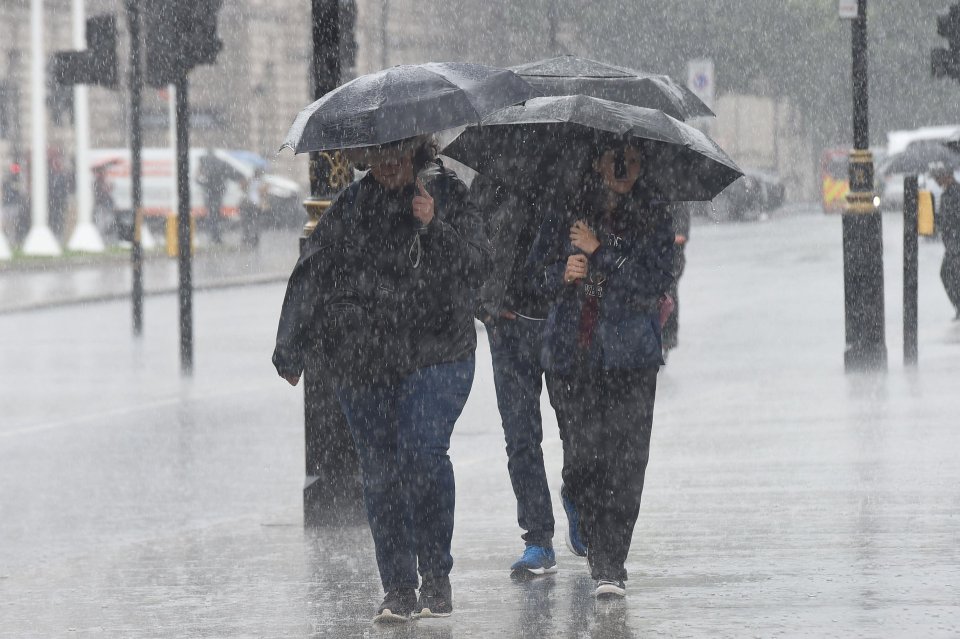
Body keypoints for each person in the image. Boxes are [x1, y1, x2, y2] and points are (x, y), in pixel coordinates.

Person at [272, 135, 490, 623]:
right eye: (377, 157)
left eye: (396, 154)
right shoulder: (351, 207)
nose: (388, 166)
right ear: (363, 159)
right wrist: (290, 348)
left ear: (416, 150)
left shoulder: (448, 194)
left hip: (438, 351)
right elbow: (312, 271)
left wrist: (434, 226)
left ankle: (436, 576)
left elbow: (478, 267)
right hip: (366, 357)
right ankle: (397, 587)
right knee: (380, 472)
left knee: (421, 453)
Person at [528, 140, 674, 599]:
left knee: (627, 464)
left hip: (631, 357)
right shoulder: (566, 208)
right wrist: (562, 273)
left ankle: (610, 563)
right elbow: (534, 275)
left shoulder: (653, 213)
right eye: (614, 157)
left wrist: (601, 249)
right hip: (575, 358)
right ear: (596, 162)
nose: (622, 167)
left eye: (630, 159)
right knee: (584, 459)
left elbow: (651, 281)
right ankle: (587, 522)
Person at [472, 176, 559, 578]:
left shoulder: (574, 166)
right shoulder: (493, 173)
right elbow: (468, 243)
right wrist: (485, 305)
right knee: (521, 437)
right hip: (508, 326)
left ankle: (579, 501)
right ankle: (538, 537)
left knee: (580, 429)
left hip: (564, 322)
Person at [661, 202, 691, 361]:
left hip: (672, 259)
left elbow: (680, 236)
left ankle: (667, 339)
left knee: (668, 292)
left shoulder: (678, 202)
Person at [931, 164, 960, 319]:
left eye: (937, 177)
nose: (935, 180)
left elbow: (953, 219)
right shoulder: (947, 194)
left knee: (947, 273)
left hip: (956, 243)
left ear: (946, 175)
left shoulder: (955, 193)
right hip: (952, 243)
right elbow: (944, 220)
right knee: (949, 274)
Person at [196, 149, 230, 244]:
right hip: (215, 195)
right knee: (214, 216)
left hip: (210, 195)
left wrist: (203, 184)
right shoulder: (218, 166)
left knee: (212, 216)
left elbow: (197, 178)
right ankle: (215, 237)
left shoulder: (205, 166)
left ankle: (214, 236)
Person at [240, 167, 266, 248]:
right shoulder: (259, 182)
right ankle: (253, 239)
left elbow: (242, 188)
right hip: (254, 205)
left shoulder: (253, 181)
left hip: (250, 205)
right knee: (254, 222)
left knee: (248, 222)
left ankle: (248, 238)